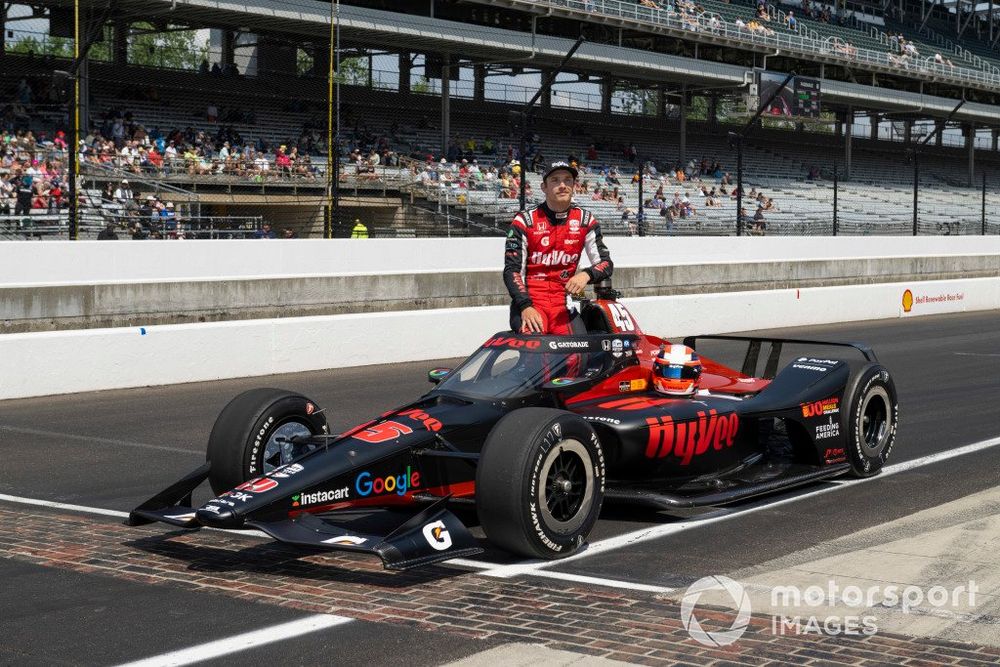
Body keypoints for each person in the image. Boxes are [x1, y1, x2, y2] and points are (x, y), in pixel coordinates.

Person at [503, 161, 614, 335]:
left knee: (580, 349)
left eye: (567, 180)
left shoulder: (585, 220)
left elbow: (606, 263)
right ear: (544, 187)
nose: (562, 185)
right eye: (555, 180)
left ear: (574, 185)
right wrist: (525, 306)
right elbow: (512, 271)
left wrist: (586, 275)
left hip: (563, 305)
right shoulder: (524, 221)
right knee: (537, 347)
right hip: (531, 303)